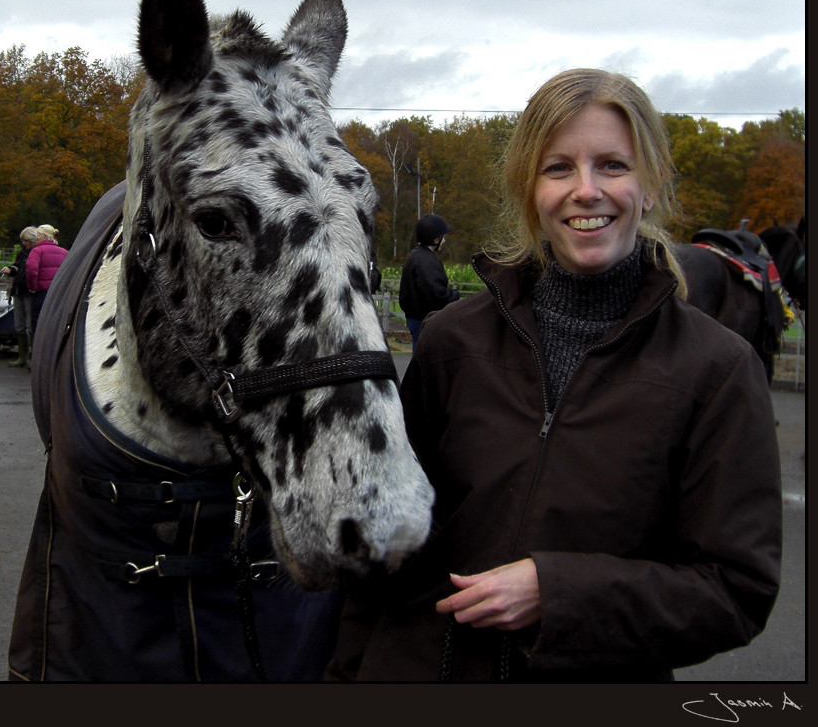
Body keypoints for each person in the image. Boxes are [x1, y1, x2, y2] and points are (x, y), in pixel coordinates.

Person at [327, 69, 782, 682]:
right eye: (559, 168)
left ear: (650, 187)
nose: (585, 190)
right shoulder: (450, 343)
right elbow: (384, 547)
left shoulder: (719, 370)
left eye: (613, 166)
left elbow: (735, 590)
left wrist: (558, 592)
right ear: (530, 192)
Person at [398, 214, 460, 349]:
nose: (444, 241)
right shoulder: (426, 261)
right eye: (443, 237)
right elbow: (437, 295)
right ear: (436, 239)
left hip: (415, 319)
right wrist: (454, 296)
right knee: (426, 360)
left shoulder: (415, 255)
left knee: (420, 356)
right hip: (425, 320)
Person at [1, 226, 39, 368]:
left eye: (27, 240)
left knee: (30, 325)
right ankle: (22, 356)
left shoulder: (36, 253)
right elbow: (17, 267)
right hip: (18, 291)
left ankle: (31, 357)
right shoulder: (22, 253)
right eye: (23, 240)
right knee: (19, 325)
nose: (24, 243)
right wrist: (10, 269)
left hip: (29, 293)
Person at [26, 224, 68, 337]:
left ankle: (37, 350)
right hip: (58, 293)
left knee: (38, 323)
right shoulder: (64, 252)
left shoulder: (37, 251)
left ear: (44, 236)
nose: (36, 238)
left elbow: (31, 270)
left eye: (38, 236)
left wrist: (32, 287)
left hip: (41, 292)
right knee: (54, 323)